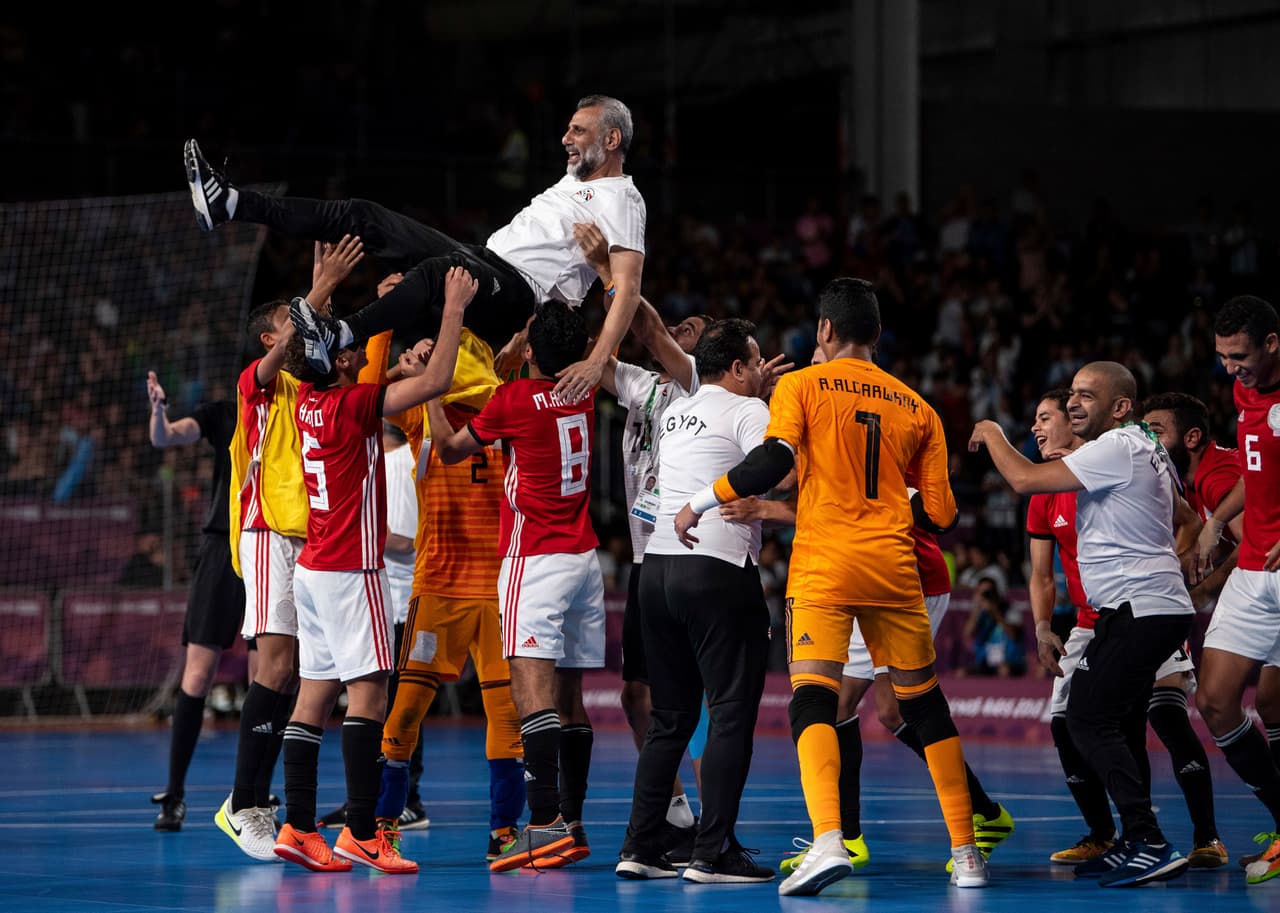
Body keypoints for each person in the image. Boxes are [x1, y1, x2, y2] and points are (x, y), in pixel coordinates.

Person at [674, 278, 988, 894]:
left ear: (824, 330)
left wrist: (701, 501)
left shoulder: (803, 385)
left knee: (814, 699)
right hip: (894, 569)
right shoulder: (918, 407)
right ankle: (967, 853)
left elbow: (772, 463)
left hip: (825, 565)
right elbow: (943, 515)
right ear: (877, 334)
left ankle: (828, 842)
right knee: (926, 707)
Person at [184, 95, 645, 403]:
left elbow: (626, 290)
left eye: (579, 131)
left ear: (611, 140)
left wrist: (596, 361)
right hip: (487, 261)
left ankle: (339, 334)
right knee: (364, 216)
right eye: (568, 129)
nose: (566, 138)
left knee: (446, 271)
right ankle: (232, 203)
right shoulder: (577, 180)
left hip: (520, 293)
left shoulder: (622, 199)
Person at [270, 264, 476, 875]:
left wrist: (380, 326)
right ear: (337, 362)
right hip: (350, 570)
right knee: (368, 695)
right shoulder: (354, 404)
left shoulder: (312, 401)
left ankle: (298, 826)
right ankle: (362, 832)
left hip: (312, 568)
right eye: (349, 347)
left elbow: (366, 380)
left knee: (312, 697)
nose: (357, 351)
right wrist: (453, 308)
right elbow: (439, 380)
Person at [970, 360, 1198, 888]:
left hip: (1140, 607)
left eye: (1087, 396)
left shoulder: (1116, 446)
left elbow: (1023, 479)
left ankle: (1148, 840)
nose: (1074, 402)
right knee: (1109, 722)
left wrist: (993, 431)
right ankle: (1131, 840)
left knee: (1086, 719)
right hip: (1137, 608)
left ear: (1121, 407)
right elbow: (1184, 517)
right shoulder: (1139, 445)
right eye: (1072, 393)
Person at [425, 300, 605, 873]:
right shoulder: (584, 389)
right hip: (584, 558)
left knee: (531, 692)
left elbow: (450, 449)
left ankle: (544, 824)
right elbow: (534, 383)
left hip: (536, 558)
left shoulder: (513, 400)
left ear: (529, 351)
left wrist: (430, 393)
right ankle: (571, 822)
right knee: (570, 698)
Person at [1027, 387, 1226, 868]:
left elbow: (1187, 519)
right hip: (1094, 621)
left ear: (1074, 423)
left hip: (1143, 608)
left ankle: (1204, 838)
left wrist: (1171, 566)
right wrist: (1042, 626)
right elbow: (1040, 574)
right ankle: (1109, 835)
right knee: (1071, 726)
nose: (1036, 427)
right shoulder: (1048, 490)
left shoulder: (1119, 459)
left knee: (1163, 716)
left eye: (1046, 417)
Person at [214, 235, 364, 863]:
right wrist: (320, 287)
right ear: (266, 339)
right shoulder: (258, 384)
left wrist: (326, 302)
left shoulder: (307, 385)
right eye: (290, 322)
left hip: (309, 537)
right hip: (266, 530)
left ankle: (259, 800)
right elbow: (288, 348)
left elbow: (319, 344)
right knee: (275, 668)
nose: (304, 330)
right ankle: (243, 803)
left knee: (298, 676)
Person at [615, 318, 775, 884]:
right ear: (736, 367)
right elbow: (772, 467)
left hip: (656, 572)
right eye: (756, 362)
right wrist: (707, 501)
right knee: (730, 713)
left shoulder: (675, 412)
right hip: (716, 570)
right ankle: (711, 854)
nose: (762, 370)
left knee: (670, 718)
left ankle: (641, 847)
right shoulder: (748, 410)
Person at [576, 221, 710, 861]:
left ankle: (714, 827)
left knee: (692, 703)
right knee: (636, 696)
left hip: (691, 559)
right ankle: (679, 815)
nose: (681, 328)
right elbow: (597, 358)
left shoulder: (697, 385)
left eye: (695, 328)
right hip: (646, 562)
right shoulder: (644, 387)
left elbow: (648, 327)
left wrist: (609, 270)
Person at [373, 329, 528, 862]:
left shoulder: (501, 409)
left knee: (504, 715)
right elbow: (368, 392)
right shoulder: (422, 411)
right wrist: (403, 366)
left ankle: (504, 831)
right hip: (441, 589)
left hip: (493, 589)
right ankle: (384, 825)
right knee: (407, 710)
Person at [1192, 295, 1280, 886]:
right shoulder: (1243, 392)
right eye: (1223, 357)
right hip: (1252, 569)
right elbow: (1256, 472)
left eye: (1239, 356)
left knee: (1275, 705)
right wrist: (1217, 520)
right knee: (1216, 701)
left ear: (1272, 343)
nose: (1230, 368)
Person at [144, 372, 243, 832]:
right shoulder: (225, 413)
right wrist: (159, 411)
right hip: (223, 547)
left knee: (271, 676)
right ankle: (175, 793)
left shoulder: (298, 410)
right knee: (198, 674)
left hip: (275, 544)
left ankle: (253, 794)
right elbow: (165, 437)